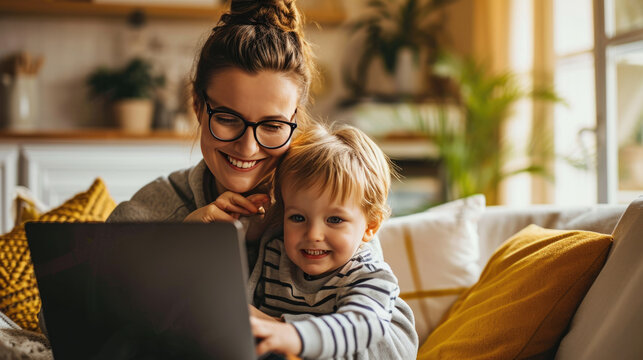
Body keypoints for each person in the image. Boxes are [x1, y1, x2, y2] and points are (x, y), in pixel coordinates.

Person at [105, 0, 417, 357]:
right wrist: (178, 247)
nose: (248, 147)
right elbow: (73, 321)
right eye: (227, 118)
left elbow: (395, 347)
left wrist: (278, 331)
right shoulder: (157, 206)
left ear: (294, 121)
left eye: (271, 125)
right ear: (197, 105)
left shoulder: (329, 206)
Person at [248, 122, 418, 359]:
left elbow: (360, 326)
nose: (313, 234)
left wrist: (294, 335)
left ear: (370, 226)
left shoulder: (371, 275)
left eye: (335, 220)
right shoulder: (275, 253)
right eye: (298, 217)